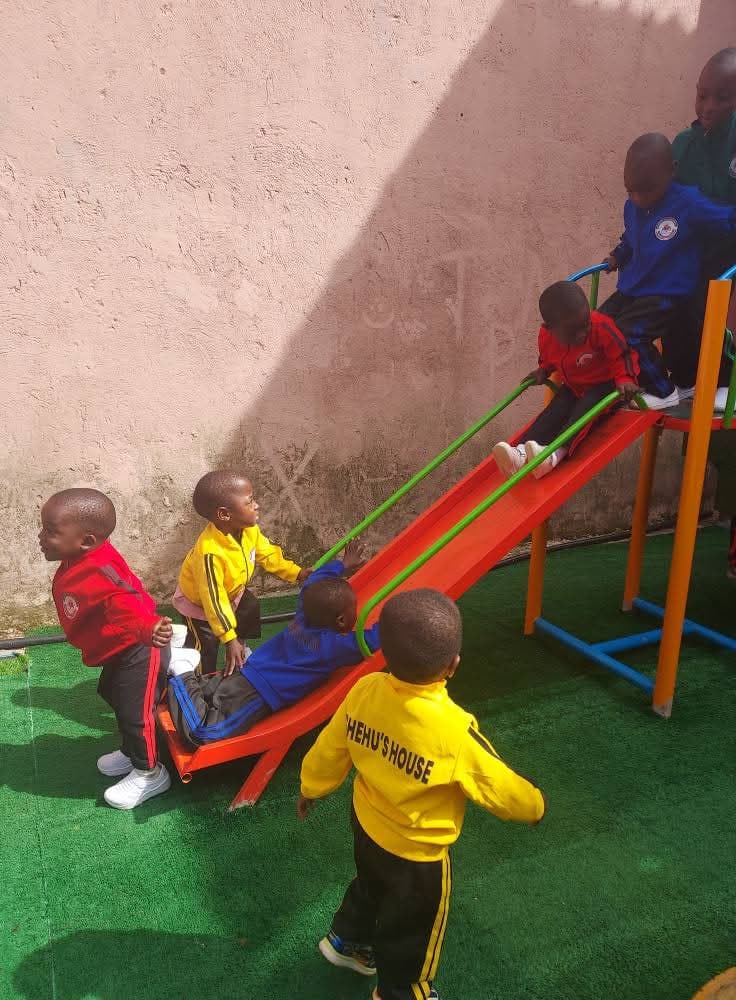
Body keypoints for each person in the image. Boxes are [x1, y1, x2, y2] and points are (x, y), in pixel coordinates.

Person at [298, 589, 545, 1000]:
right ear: (453, 666)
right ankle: (402, 992)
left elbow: (331, 746)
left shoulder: (365, 689)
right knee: (412, 930)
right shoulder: (454, 731)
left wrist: (310, 786)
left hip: (366, 825)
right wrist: (535, 806)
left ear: (385, 656)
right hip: (417, 857)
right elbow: (500, 787)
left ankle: (347, 943)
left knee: (371, 883)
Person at [167, 540, 380, 745]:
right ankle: (183, 668)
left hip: (247, 670)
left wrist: (341, 565)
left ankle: (176, 666)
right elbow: (374, 639)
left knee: (207, 692)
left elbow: (313, 581)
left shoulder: (303, 613)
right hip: (256, 693)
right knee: (203, 732)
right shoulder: (331, 647)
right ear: (341, 620)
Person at [39, 488, 173, 810]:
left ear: (86, 540)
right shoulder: (79, 557)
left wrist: (147, 628)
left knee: (135, 713)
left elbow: (127, 597)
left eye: (51, 532)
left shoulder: (101, 571)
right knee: (111, 692)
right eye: (43, 528)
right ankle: (131, 752)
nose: (41, 537)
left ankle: (150, 772)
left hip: (140, 647)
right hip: (118, 648)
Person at [600, 132, 736, 409]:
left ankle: (662, 389)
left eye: (646, 190)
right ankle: (605, 386)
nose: (638, 198)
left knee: (629, 334)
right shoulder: (633, 207)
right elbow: (632, 237)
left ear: (671, 171)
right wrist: (618, 255)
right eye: (630, 190)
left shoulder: (687, 203)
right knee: (598, 326)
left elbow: (725, 218)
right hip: (634, 287)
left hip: (667, 292)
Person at [672, 48, 736, 577]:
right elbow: (666, 205)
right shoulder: (686, 145)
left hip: (728, 285)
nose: (708, 105)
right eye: (702, 93)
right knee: (698, 406)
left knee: (727, 412)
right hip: (695, 284)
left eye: (722, 96)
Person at [492, 280, 639, 480]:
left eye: (585, 324)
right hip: (575, 386)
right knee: (555, 411)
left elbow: (622, 354)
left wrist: (625, 379)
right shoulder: (546, 337)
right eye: (572, 332)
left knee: (583, 411)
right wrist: (543, 370)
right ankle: (520, 453)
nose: (582, 334)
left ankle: (553, 456)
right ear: (550, 328)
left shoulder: (601, 326)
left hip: (606, 385)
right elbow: (549, 357)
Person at [173, 471, 312, 676]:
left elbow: (269, 555)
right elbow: (214, 601)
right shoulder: (210, 554)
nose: (257, 505)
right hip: (200, 604)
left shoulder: (249, 530)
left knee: (250, 605)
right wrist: (228, 638)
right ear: (225, 514)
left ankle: (240, 647)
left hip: (233, 591)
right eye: (250, 501)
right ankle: (199, 682)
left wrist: (297, 573)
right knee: (206, 645)